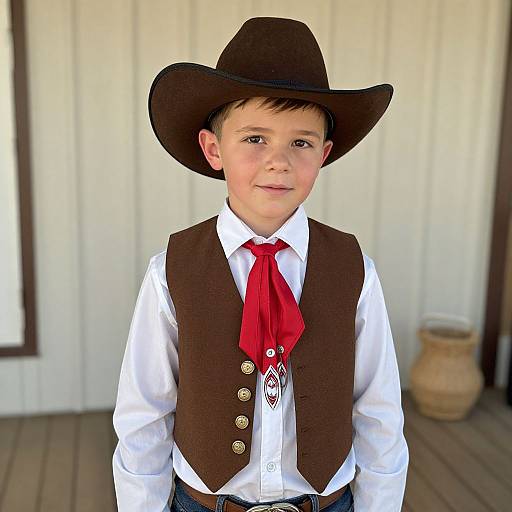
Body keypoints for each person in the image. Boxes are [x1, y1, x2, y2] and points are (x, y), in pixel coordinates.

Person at [112, 16, 409, 512]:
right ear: (214, 148)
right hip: (206, 503)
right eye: (255, 139)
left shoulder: (354, 270)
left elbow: (378, 411)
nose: (279, 161)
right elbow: (146, 413)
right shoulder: (172, 270)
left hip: (326, 502)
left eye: (301, 142)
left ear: (324, 153)